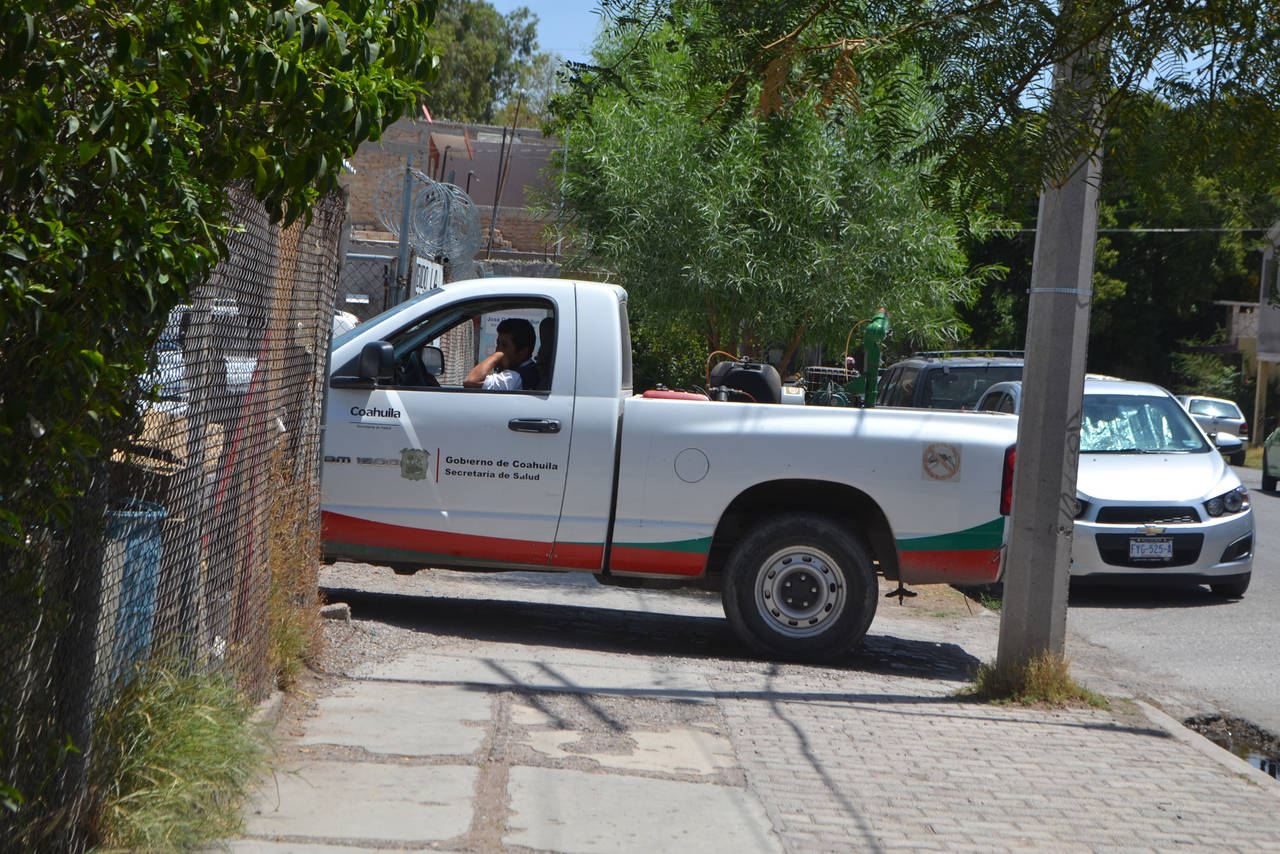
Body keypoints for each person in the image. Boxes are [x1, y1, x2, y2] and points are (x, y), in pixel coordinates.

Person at [464, 317, 540, 390]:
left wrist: (497, 355)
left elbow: (471, 382)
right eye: (498, 344)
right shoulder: (530, 369)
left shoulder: (515, 378)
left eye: (504, 345)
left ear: (522, 353)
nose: (498, 349)